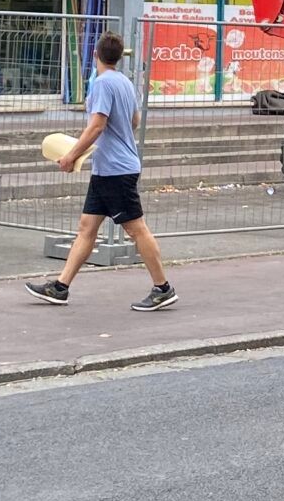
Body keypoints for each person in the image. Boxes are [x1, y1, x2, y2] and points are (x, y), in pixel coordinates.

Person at [25, 32, 177, 313]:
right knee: (87, 227)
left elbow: (97, 125)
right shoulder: (125, 82)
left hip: (115, 171)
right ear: (118, 57)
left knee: (136, 229)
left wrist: (71, 155)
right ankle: (60, 287)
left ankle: (163, 288)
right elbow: (134, 120)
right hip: (108, 168)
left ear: (95, 55)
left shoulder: (102, 83)